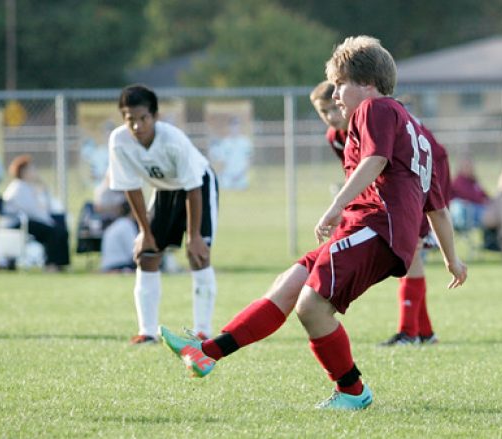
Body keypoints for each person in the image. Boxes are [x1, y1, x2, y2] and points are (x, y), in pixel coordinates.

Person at [160, 36, 467, 410]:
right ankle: (208, 352)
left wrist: (337, 204)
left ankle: (353, 392)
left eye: (341, 84)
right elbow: (436, 207)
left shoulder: (376, 109)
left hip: (376, 226)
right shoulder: (410, 127)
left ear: (368, 84)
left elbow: (376, 162)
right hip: (370, 227)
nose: (335, 94)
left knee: (312, 307)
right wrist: (453, 258)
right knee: (288, 286)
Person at [313, 80, 450, 346]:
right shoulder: (337, 136)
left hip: (420, 178)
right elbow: (358, 173)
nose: (332, 116)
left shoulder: (376, 117)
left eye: (334, 107)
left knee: (412, 252)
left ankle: (409, 332)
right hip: (396, 190)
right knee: (411, 254)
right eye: (324, 112)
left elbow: (397, 160)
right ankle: (424, 332)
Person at [108, 84, 219, 345]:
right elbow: (131, 188)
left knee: (198, 254)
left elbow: (193, 189)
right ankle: (147, 331)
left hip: (198, 186)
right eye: (130, 119)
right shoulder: (119, 141)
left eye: (143, 118)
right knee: (147, 255)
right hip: (164, 191)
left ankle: (202, 330)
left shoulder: (173, 140)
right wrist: (145, 233)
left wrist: (193, 236)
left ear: (155, 116)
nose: (136, 126)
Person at [2, 154, 70, 271]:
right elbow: (32, 210)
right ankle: (51, 264)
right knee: (54, 231)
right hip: (20, 222)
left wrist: (43, 187)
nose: (35, 171)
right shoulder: (18, 188)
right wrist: (48, 221)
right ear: (24, 172)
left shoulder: (29, 187)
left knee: (60, 225)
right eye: (32, 169)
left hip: (30, 221)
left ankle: (60, 263)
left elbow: (43, 206)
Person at [450, 156, 502, 261]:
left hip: (484, 211)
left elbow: (486, 197)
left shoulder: (473, 182)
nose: (469, 168)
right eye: (466, 166)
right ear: (460, 168)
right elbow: (472, 198)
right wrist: (486, 201)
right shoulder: (458, 182)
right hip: (471, 215)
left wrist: (490, 200)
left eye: (470, 166)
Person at [93, 174, 137, 273]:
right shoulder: (127, 225)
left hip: (107, 265)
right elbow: (134, 252)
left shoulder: (117, 224)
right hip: (119, 265)